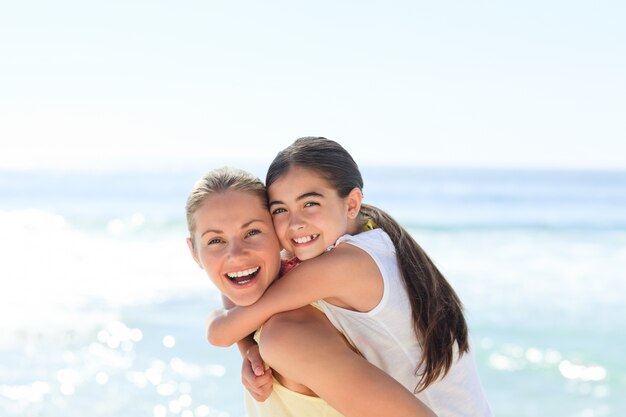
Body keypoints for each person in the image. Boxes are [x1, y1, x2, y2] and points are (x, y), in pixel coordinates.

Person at [207, 138, 493, 417]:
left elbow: (222, 330)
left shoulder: (342, 266)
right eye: (280, 210)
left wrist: (247, 347)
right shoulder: (368, 237)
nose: (295, 223)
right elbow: (242, 289)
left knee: (281, 338)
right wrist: (250, 351)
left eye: (310, 204)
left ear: (352, 203)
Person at [186, 166, 436, 417]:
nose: (237, 255)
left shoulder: (288, 335)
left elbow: (220, 330)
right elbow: (229, 305)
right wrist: (248, 345)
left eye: (252, 232)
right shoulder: (268, 317)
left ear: (278, 232)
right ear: (194, 252)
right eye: (215, 241)